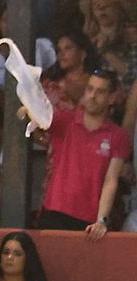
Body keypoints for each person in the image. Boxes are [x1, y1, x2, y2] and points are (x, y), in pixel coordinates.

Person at [33, 67, 129, 236]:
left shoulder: (118, 136)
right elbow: (36, 119)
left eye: (100, 91)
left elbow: (111, 180)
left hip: (89, 221)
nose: (92, 95)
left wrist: (101, 220)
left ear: (112, 98)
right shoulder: (65, 120)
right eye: (90, 89)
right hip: (54, 211)